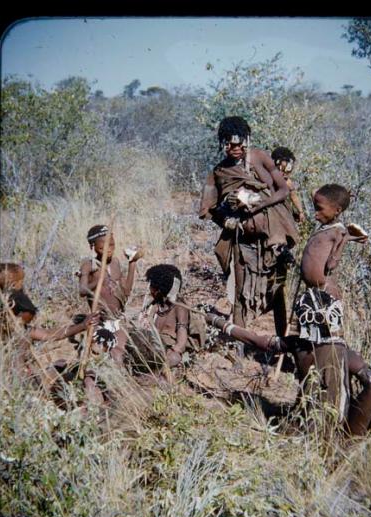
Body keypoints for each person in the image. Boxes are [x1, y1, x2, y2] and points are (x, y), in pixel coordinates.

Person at [205, 311, 371, 441]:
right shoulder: (346, 354)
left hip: (307, 425)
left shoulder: (298, 345)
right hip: (340, 433)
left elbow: (255, 340)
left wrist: (219, 322)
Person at [199, 116, 299, 364]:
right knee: (242, 295)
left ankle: (282, 349)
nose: (235, 148)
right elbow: (208, 210)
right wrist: (226, 221)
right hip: (243, 241)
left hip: (272, 241)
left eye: (239, 143)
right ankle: (239, 351)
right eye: (229, 144)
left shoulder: (259, 157)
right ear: (222, 144)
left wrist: (261, 204)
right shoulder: (219, 172)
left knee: (277, 293)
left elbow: (283, 190)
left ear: (247, 140)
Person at [78, 224, 143, 364]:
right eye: (103, 246)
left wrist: (132, 264)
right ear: (92, 246)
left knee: (118, 355)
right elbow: (82, 291)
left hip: (117, 321)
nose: (109, 249)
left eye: (112, 245)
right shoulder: (89, 266)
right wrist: (100, 280)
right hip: (98, 322)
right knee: (96, 356)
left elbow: (126, 292)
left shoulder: (115, 263)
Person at [131, 264, 204, 383]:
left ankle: (153, 375)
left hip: (167, 352)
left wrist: (172, 351)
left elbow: (180, 342)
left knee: (174, 358)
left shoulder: (180, 308)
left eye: (152, 286)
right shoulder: (154, 305)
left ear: (159, 290)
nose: (149, 289)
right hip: (152, 349)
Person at [271, 147, 306, 223]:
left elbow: (294, 196)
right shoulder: (265, 175)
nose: (284, 173)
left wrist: (301, 212)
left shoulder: (287, 182)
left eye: (287, 170)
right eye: (281, 169)